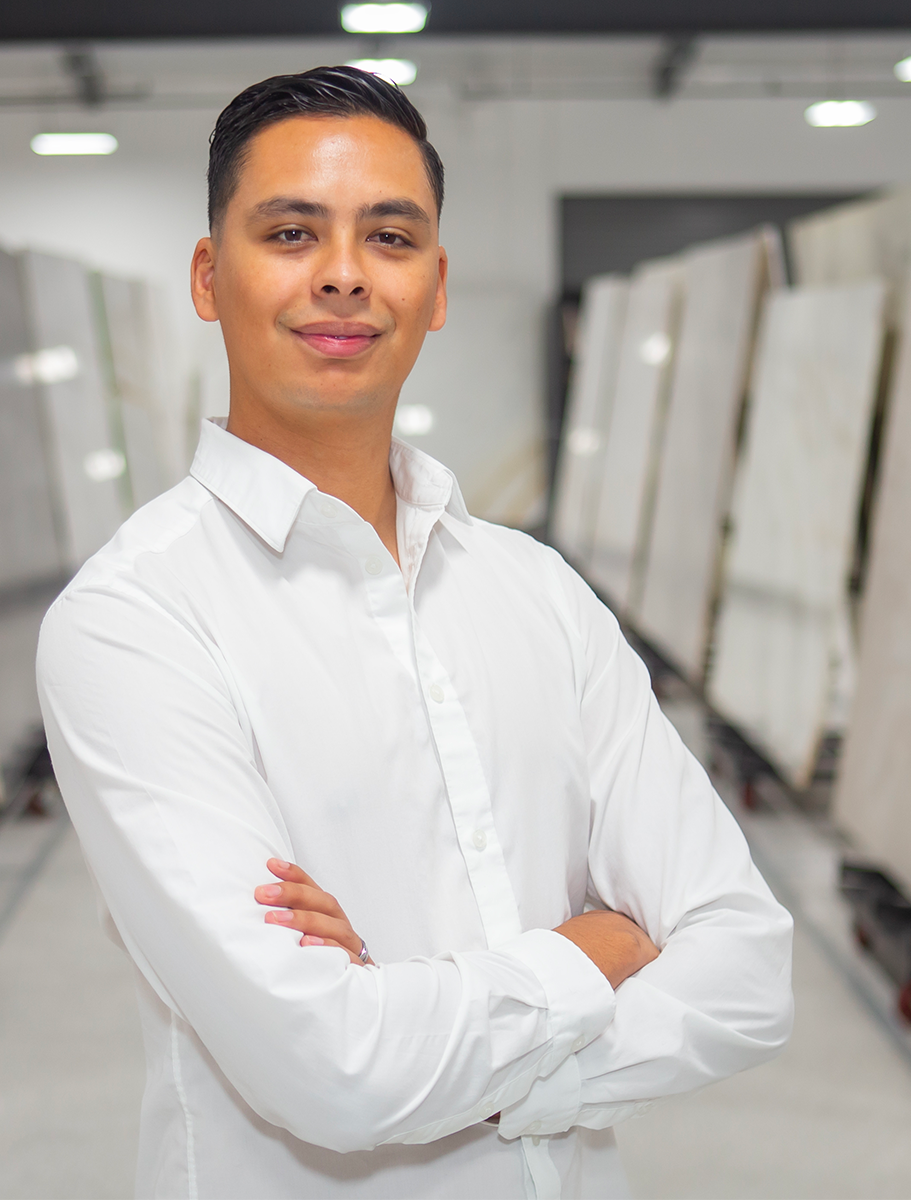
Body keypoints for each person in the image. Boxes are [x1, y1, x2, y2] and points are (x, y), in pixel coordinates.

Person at [37, 66, 793, 1200]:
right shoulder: (134, 621)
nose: (342, 274)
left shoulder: (535, 593)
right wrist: (596, 950)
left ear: (434, 288)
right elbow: (330, 1070)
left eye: (387, 236)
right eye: (290, 231)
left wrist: (433, 1022)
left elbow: (744, 967)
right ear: (209, 275)